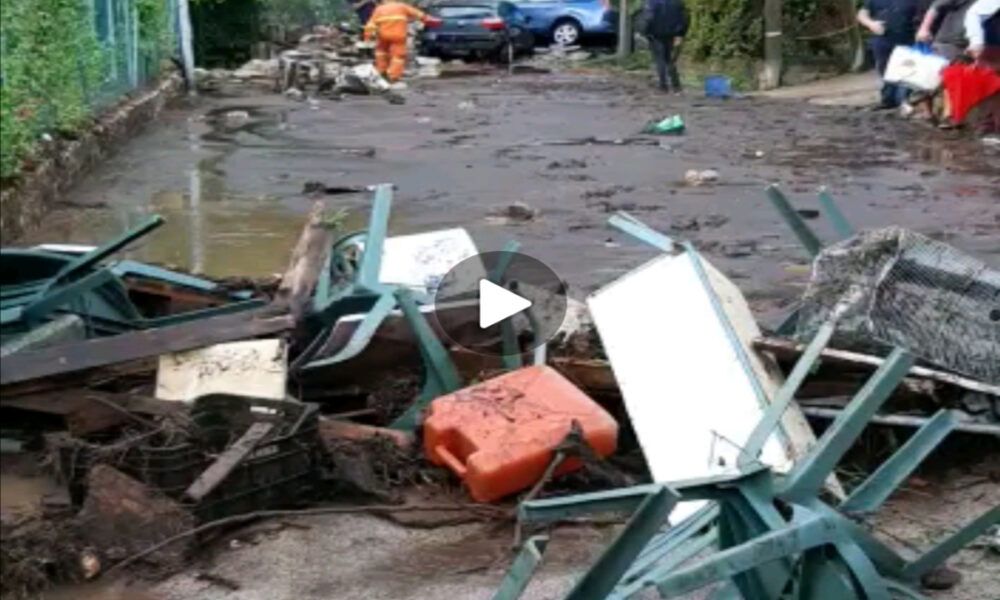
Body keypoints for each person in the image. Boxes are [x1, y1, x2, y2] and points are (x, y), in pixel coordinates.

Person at [858, 0, 920, 108]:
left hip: (908, 38)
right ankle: (888, 99)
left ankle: (904, 100)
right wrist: (871, 24)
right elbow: (862, 14)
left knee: (907, 69)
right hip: (883, 39)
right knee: (884, 69)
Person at [363, 0, 430, 82]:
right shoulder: (402, 6)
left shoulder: (379, 9)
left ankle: (381, 71)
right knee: (398, 57)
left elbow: (371, 24)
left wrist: (368, 37)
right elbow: (420, 15)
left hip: (383, 36)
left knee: (381, 53)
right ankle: (392, 76)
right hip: (398, 36)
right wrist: (427, 19)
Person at [642, 0, 689, 93]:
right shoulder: (677, 3)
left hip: (656, 35)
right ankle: (676, 86)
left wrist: (646, 33)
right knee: (670, 59)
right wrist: (681, 34)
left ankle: (663, 86)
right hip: (672, 34)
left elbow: (648, 19)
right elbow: (685, 19)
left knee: (660, 60)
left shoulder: (652, 3)